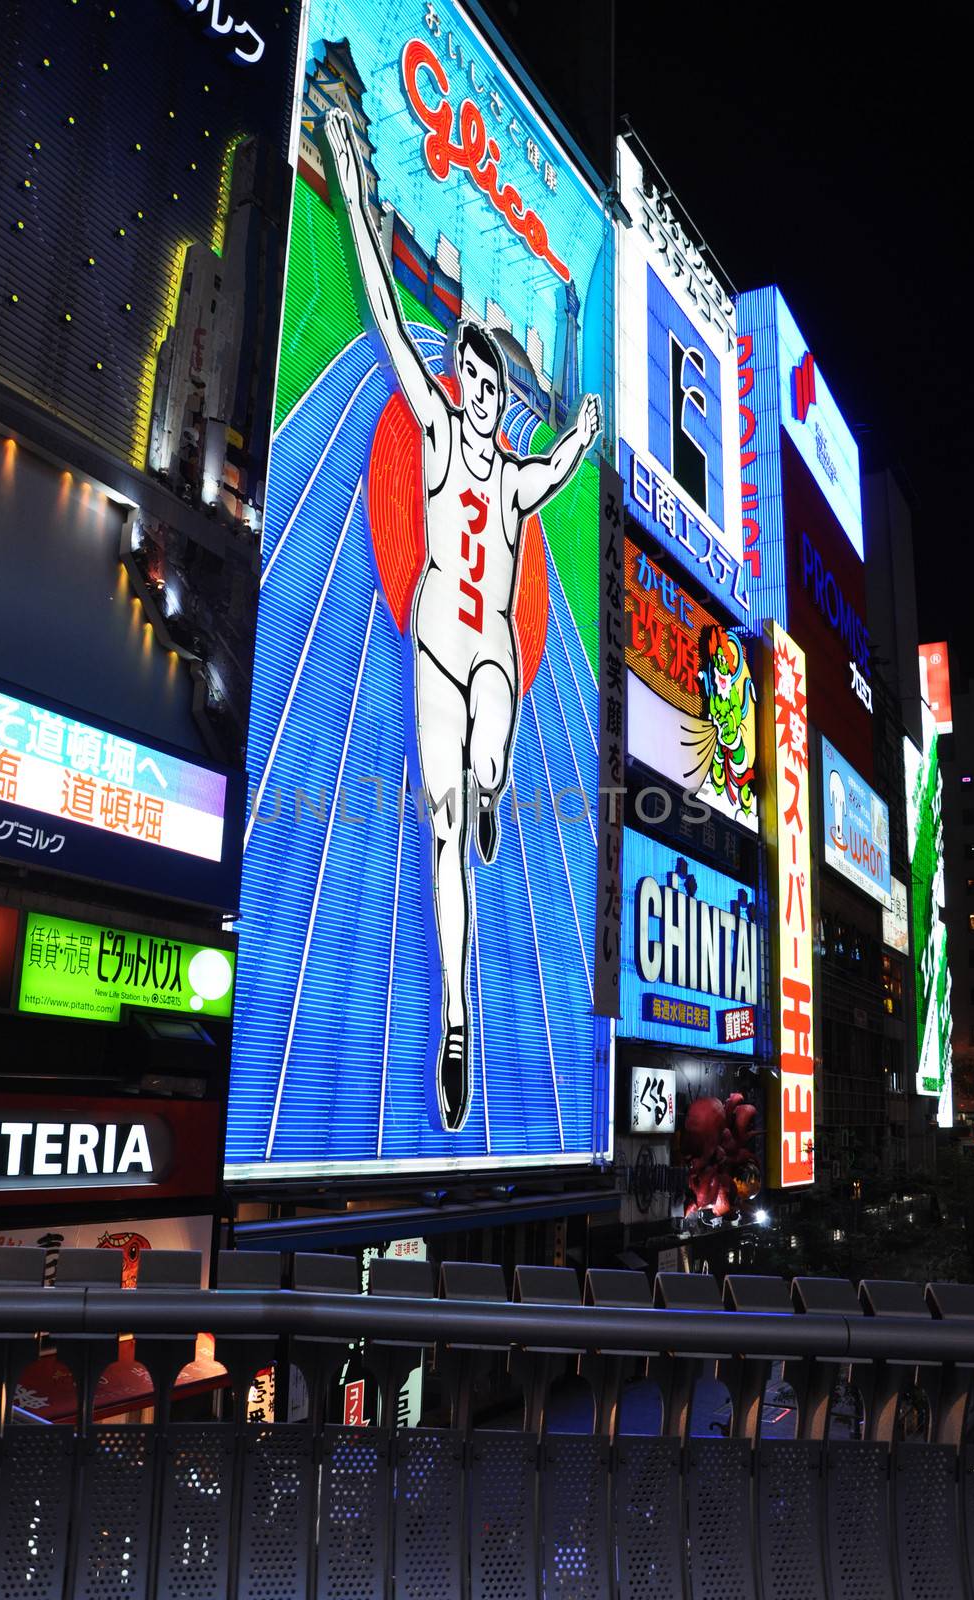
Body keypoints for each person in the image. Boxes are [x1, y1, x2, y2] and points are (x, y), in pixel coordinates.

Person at [320, 108, 601, 1132]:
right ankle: (455, 1019)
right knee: (445, 839)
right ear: (463, 383)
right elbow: (391, 323)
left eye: (490, 384)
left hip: (489, 656)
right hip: (436, 648)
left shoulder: (517, 475)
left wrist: (580, 432)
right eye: (472, 379)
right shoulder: (438, 430)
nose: (480, 394)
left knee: (493, 725)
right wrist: (354, 190)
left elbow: (560, 469)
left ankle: (494, 779)